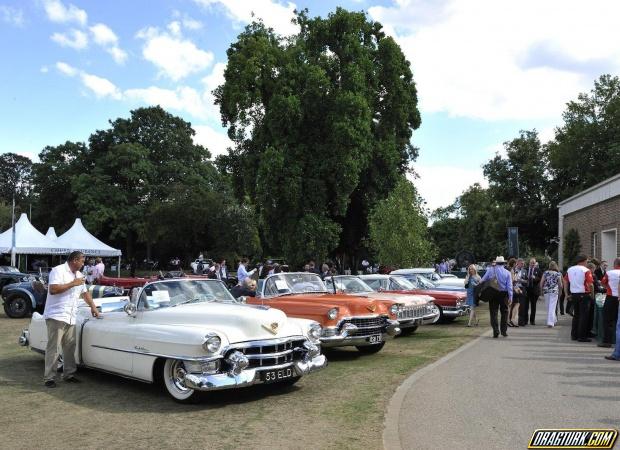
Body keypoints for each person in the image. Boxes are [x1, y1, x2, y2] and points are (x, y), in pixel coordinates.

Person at [43, 251, 99, 388]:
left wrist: (93, 307)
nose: (83, 264)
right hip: (56, 315)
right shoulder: (58, 271)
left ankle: (69, 374)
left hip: (71, 316)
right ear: (74, 260)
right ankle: (49, 378)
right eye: (82, 261)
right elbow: (53, 290)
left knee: (69, 346)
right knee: (54, 347)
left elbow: (85, 293)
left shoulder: (79, 275)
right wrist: (72, 283)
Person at [480, 256, 513, 338]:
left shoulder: (490, 270)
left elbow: (483, 280)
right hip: (504, 294)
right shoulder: (507, 273)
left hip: (493, 292)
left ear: (496, 262)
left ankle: (495, 331)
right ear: (504, 263)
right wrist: (511, 297)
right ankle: (504, 331)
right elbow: (510, 286)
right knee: (504, 313)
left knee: (493, 312)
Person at [567, 255, 595, 342]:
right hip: (584, 294)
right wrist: (592, 295)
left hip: (574, 294)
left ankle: (574, 335)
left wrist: (567, 293)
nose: (587, 263)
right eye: (586, 261)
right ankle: (582, 336)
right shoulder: (586, 270)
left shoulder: (570, 269)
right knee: (584, 316)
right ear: (583, 261)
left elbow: (565, 281)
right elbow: (590, 284)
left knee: (576, 315)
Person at [599, 258, 620, 348]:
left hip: (611, 297)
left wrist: (608, 287)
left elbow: (603, 283)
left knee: (607, 320)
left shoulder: (610, 273)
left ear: (615, 264)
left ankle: (607, 341)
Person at [519, 258, 542, 326]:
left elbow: (540, 278)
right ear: (529, 263)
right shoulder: (525, 269)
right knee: (526, 306)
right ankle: (525, 320)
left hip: (534, 290)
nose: (532, 264)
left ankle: (532, 320)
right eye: (531, 263)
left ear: (535, 263)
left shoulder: (538, 270)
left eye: (534, 263)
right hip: (526, 289)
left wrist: (535, 278)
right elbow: (522, 278)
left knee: (533, 306)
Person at [540, 261, 563, 328]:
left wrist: (541, 291)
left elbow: (541, 282)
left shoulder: (545, 273)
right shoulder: (558, 274)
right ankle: (550, 322)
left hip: (546, 291)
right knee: (552, 307)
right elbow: (560, 284)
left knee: (548, 306)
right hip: (554, 291)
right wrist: (561, 291)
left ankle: (553, 320)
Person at [509, 258, 525, 327]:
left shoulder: (511, 269)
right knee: (516, 304)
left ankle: (510, 320)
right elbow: (513, 281)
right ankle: (512, 320)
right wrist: (517, 289)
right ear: (514, 264)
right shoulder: (512, 270)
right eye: (515, 263)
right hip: (513, 289)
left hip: (511, 289)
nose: (516, 265)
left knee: (511, 305)